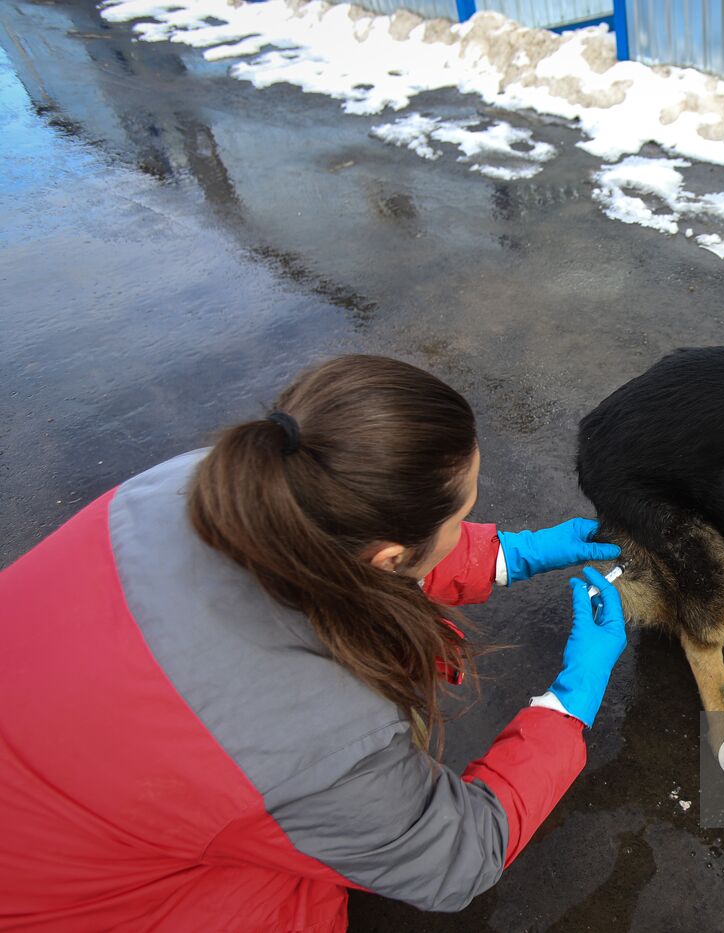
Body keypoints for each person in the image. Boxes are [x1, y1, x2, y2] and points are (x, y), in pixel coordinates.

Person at [0, 354, 628, 929]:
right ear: (390, 554)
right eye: (461, 518)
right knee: (292, 903)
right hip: (56, 905)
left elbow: (343, 541)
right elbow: (458, 857)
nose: (467, 522)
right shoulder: (310, 742)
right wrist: (567, 705)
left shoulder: (221, 482)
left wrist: (503, 555)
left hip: (51, 796)